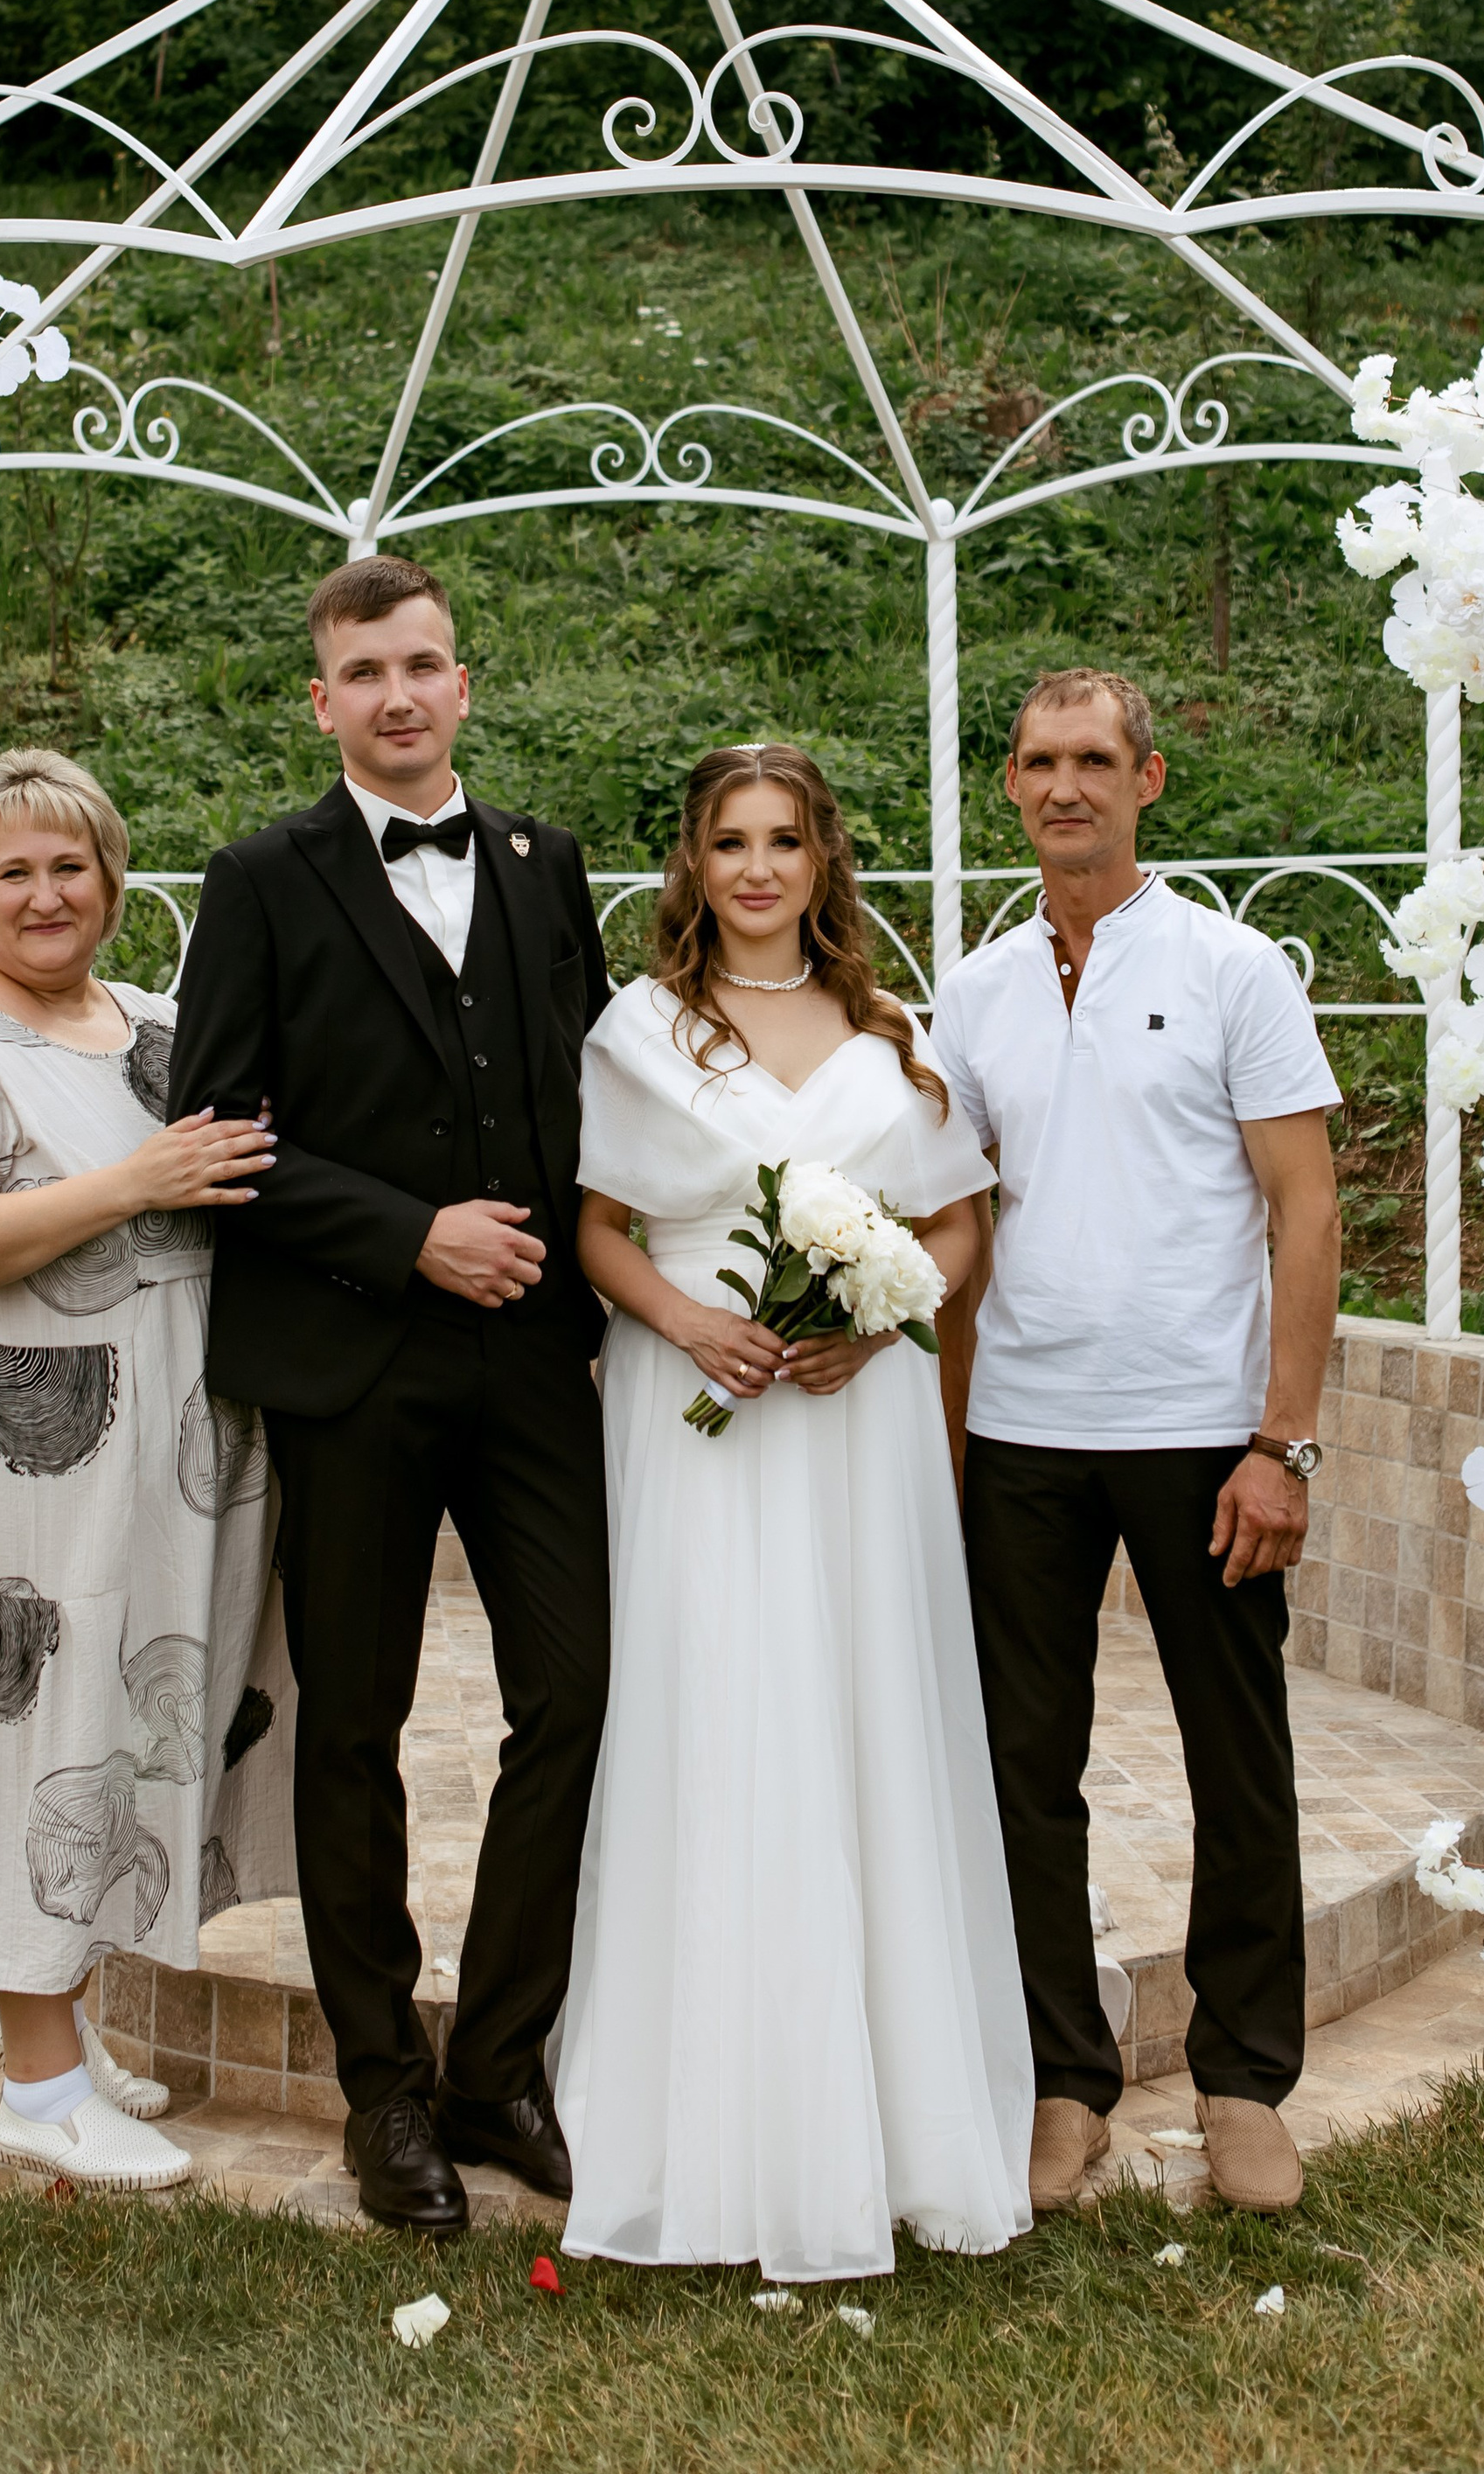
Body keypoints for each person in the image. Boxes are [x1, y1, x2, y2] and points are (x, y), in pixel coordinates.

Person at [165, 555, 612, 2236]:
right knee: (352, 1728)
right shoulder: (262, 878)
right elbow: (221, 1130)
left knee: (576, 1692)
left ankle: (500, 2059)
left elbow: (585, 1098)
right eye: (365, 673)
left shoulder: (543, 863)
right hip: (351, 1359)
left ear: (462, 681)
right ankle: (383, 2093)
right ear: (323, 700)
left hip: (535, 1360)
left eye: (423, 663)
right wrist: (407, 1234)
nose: (399, 695)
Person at [554, 743, 1032, 2280]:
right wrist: (691, 1328)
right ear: (689, 865)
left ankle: (890, 2117)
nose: (756, 868)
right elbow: (600, 1229)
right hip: (698, 1408)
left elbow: (958, 1218)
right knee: (716, 1706)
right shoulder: (640, 1026)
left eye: (785, 841)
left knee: (860, 1702)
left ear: (826, 862)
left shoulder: (892, 1031)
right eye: (726, 842)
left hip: (852, 1414)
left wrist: (889, 1319)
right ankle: (707, 2124)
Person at [0, 748, 292, 2192]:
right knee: (25, 1737)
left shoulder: (158, 1030)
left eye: (71, 865)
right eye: (13, 870)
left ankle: (60, 2026)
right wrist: (131, 1184)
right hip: (6, 1460)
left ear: (111, 880)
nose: (46, 894)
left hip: (156, 1452)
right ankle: (37, 2082)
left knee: (112, 1727)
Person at [934, 667, 1341, 2218]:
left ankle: (1245, 2084)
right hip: (1025, 1432)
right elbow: (959, 1233)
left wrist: (1281, 1440)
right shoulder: (972, 995)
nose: (1065, 787)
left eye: (1094, 760)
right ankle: (1064, 2078)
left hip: (1203, 1435)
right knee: (1021, 1770)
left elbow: (1308, 1210)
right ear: (1014, 785)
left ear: (1149, 779)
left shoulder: (1233, 966)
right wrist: (958, 1433)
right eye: (1039, 761)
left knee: (1239, 1762)